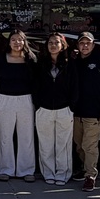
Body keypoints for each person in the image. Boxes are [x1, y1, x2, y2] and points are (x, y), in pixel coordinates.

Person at [0, 28, 38, 182]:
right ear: (9, 42)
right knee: (5, 136)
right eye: (13, 39)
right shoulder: (0, 59)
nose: (17, 42)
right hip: (5, 99)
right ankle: (5, 169)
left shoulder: (31, 59)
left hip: (26, 99)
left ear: (24, 41)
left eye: (20, 39)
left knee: (26, 136)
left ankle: (26, 170)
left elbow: (36, 82)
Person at [72, 31, 100, 192]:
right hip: (76, 112)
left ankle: (91, 175)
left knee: (90, 146)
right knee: (79, 145)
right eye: (82, 43)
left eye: (88, 43)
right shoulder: (74, 62)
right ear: (78, 45)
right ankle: (84, 168)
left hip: (94, 112)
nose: (85, 46)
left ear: (93, 45)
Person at [33, 32, 76, 185]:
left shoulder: (70, 63)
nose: (53, 45)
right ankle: (48, 173)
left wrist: (71, 106)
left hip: (64, 109)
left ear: (62, 45)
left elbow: (74, 87)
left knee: (63, 144)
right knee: (45, 144)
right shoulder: (40, 63)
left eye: (56, 42)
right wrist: (38, 105)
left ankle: (63, 174)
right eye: (50, 42)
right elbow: (35, 86)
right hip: (44, 109)